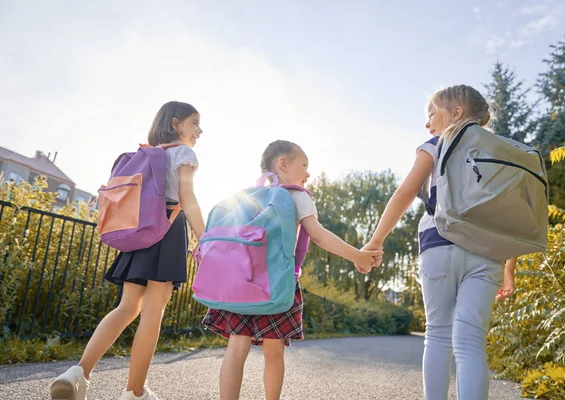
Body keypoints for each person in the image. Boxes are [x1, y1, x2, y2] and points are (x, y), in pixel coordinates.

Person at [362, 85, 516, 399]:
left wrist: (375, 242)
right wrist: (510, 267)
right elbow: (513, 215)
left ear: (456, 113)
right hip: (489, 254)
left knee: (439, 335)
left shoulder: (436, 145)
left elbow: (405, 193)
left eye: (432, 113)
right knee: (471, 341)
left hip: (440, 244)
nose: (427, 122)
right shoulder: (501, 152)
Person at [202, 140, 382, 400]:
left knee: (236, 346)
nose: (308, 173)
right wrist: (358, 256)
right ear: (283, 163)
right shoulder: (296, 196)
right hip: (277, 284)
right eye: (304, 165)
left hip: (239, 281)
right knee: (274, 351)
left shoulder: (247, 197)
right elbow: (318, 236)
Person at [51, 101, 206, 400]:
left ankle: (78, 373)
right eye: (195, 123)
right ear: (176, 124)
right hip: (167, 231)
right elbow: (188, 198)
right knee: (152, 312)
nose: (200, 130)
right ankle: (134, 393)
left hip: (139, 232)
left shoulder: (148, 154)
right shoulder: (184, 154)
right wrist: (207, 239)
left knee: (127, 307)